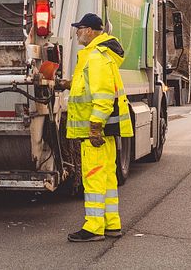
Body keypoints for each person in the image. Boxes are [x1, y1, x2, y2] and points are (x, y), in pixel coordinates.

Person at [60, 13, 133, 242]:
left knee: (93, 178)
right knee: (108, 179)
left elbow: (102, 96)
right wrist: (68, 84)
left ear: (90, 30)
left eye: (80, 28)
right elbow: (91, 86)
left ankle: (93, 227)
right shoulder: (99, 55)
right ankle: (112, 224)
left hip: (95, 133)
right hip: (104, 133)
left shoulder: (96, 56)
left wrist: (94, 128)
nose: (77, 33)